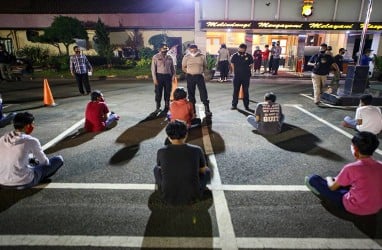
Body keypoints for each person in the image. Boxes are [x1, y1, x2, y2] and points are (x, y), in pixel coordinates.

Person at [305, 131, 382, 216]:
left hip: (356, 207)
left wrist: (329, 178)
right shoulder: (380, 165)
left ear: (355, 148)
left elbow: (332, 187)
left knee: (313, 178)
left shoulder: (351, 168)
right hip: (377, 206)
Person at [0, 112, 64, 189]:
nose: (33, 126)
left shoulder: (2, 139)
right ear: (27, 126)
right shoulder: (30, 140)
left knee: (27, 160)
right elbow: (45, 162)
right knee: (58, 160)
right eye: (32, 124)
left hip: (2, 182)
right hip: (23, 181)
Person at [153, 120, 211, 205]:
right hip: (194, 196)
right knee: (207, 171)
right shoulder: (196, 149)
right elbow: (203, 170)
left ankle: (162, 188)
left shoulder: (161, 151)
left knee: (156, 169)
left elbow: (161, 168)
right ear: (186, 134)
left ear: (168, 136)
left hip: (167, 197)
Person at [182, 44, 212, 117]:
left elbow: (205, 66)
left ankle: (207, 109)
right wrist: (189, 72)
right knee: (191, 94)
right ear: (189, 50)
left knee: (203, 92)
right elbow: (183, 67)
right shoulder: (186, 57)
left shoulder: (201, 56)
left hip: (199, 76)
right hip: (190, 77)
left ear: (197, 49)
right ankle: (193, 111)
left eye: (194, 49)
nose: (193, 50)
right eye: (191, 49)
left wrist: (202, 72)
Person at [151, 43, 175, 112]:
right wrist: (154, 79)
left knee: (168, 92)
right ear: (160, 49)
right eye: (163, 48)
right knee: (158, 92)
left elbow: (172, 68)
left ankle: (167, 105)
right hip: (159, 76)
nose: (165, 50)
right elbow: (153, 69)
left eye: (166, 48)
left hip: (168, 76)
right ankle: (158, 106)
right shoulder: (155, 57)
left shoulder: (170, 57)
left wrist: (173, 75)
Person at [230, 43, 254, 111]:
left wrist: (251, 72)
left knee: (245, 91)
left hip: (246, 76)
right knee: (235, 90)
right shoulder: (234, 56)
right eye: (240, 48)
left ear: (245, 49)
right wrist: (234, 72)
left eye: (242, 49)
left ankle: (246, 106)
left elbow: (251, 64)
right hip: (237, 76)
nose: (240, 49)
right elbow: (232, 63)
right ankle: (234, 105)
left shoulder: (249, 56)